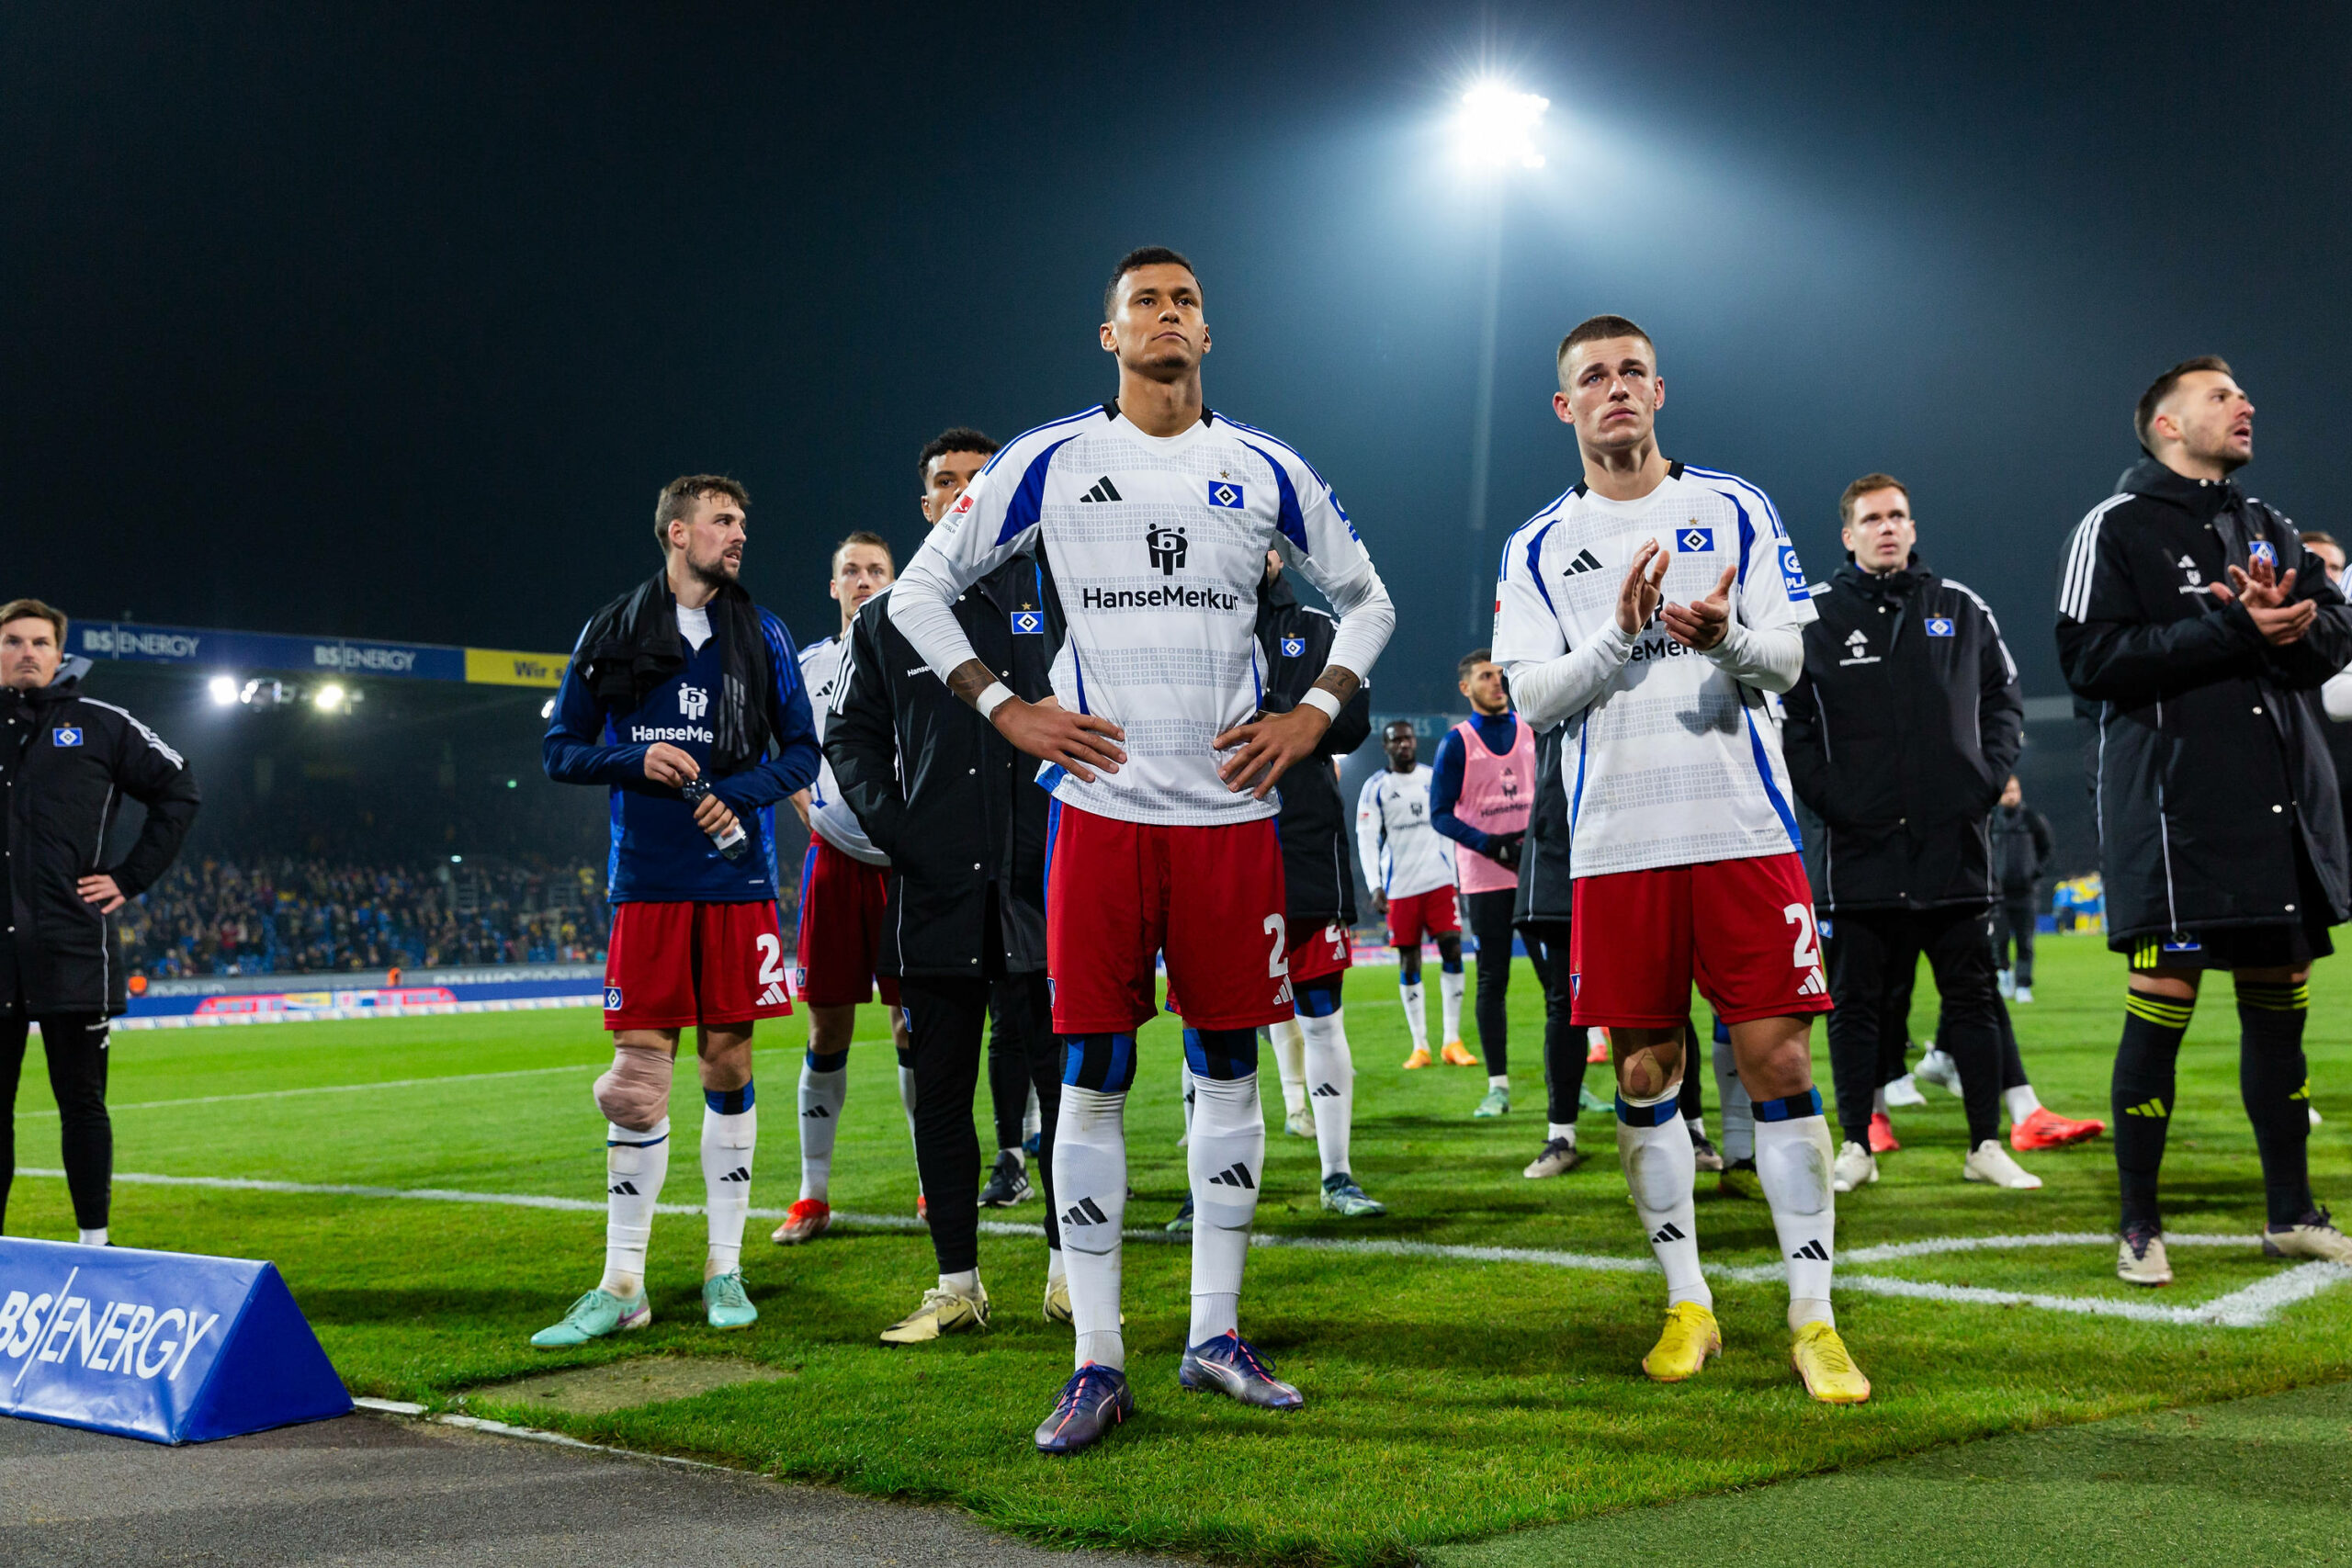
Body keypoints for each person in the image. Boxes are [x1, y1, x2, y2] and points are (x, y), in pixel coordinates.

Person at [888, 246, 1395, 1454]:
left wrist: (1311, 713)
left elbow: (1369, 596)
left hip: (1228, 818)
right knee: (1095, 1072)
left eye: (1185, 302)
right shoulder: (1051, 458)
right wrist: (1006, 710)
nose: (1168, 317)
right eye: (1144, 305)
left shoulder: (1263, 466)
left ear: (1207, 335)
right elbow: (917, 590)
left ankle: (1216, 1332)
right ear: (1108, 336)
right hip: (1102, 815)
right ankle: (1097, 1356)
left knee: (1228, 1066)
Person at [1492, 314, 1867, 1404]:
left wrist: (1724, 641)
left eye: (1631, 374)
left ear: (1661, 392)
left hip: (1742, 831)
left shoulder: (1730, 507)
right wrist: (1617, 636)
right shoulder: (1537, 545)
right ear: (1565, 408)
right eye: (1592, 379)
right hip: (1616, 846)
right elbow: (1530, 696)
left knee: (1781, 1066)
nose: (1615, 391)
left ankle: (1814, 1318)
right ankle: (1688, 1303)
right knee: (1645, 1071)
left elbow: (1789, 661)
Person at [2057, 355, 2352, 1284]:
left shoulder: (2264, 525)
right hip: (2173, 817)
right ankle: (2139, 1224)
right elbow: (2088, 661)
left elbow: (2335, 633)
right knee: (2162, 1016)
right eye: (2222, 396)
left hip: (2275, 816)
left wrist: (2295, 623)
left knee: (2280, 1019)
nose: (2245, 405)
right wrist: (2232, 630)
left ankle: (2290, 1213)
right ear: (2167, 426)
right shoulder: (2113, 528)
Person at [536, 475, 820, 1344]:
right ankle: (623, 1282)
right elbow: (561, 749)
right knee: (637, 1084)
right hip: (649, 884)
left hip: (734, 882)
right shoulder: (611, 629)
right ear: (676, 531)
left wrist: (735, 793)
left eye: (743, 521)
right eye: (724, 521)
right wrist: (635, 758)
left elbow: (803, 752)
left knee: (727, 1068)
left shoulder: (763, 632)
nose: (739, 535)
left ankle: (722, 1267)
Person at [826, 428, 1072, 1342]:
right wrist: (893, 827)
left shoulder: (1059, 598)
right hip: (933, 890)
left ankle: (1068, 1274)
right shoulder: (889, 617)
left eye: (981, 479)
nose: (963, 491)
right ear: (925, 503)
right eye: (945, 482)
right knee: (940, 1092)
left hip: (1042, 889)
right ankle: (958, 1284)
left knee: (1067, 1093)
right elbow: (848, 734)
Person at [1780, 472, 2046, 1195]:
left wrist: (1984, 780)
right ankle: (1857, 1142)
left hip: (1951, 845)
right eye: (1872, 518)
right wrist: (1833, 799)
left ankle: (1985, 1142)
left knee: (1972, 999)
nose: (1887, 527)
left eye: (1898, 515)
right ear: (1848, 534)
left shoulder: (1960, 607)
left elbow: (2005, 698)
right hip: (1859, 852)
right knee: (1857, 1006)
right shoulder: (1814, 617)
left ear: (1913, 526)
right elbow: (1791, 723)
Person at [1172, 551, 1383, 1224]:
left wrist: (1278, 710)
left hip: (1302, 849)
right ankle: (1202, 1184)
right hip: (1208, 842)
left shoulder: (1321, 629)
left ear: (1276, 551)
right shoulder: (1183, 621)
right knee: (1204, 1020)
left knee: (1322, 1013)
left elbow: (1352, 724)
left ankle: (1338, 1173)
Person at [1, 599, 200, 1244]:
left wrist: (129, 876)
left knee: (82, 1103)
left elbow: (179, 788)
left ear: (61, 653)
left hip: (73, 944)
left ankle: (96, 1242)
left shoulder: (103, 725)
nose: (26, 651)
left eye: (39, 641)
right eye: (12, 641)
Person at [771, 529, 921, 1245]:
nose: (863, 579)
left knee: (912, 1028)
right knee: (826, 1027)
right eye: (850, 571)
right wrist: (804, 800)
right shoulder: (808, 666)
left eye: (875, 570)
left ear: (895, 581)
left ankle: (932, 1182)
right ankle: (813, 1194)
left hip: (905, 868)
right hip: (833, 865)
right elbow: (783, 747)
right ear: (833, 586)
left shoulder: (921, 657)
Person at [1430, 649, 1535, 1117]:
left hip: (1537, 873)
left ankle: (1567, 1076)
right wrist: (1492, 845)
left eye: (1500, 674)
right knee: (1493, 980)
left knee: (1561, 980)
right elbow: (1439, 814)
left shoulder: (1534, 727)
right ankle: (1498, 1086)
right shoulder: (1456, 743)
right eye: (1486, 676)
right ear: (1465, 688)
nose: (1497, 682)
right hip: (1487, 876)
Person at [1356, 722, 1469, 1069]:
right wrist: (1375, 883)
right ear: (1386, 747)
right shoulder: (1376, 788)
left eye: (1408, 738)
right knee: (1410, 960)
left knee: (1452, 947)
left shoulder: (1433, 778)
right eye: (1396, 740)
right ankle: (1420, 1045)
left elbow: (1449, 825)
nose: (1404, 744)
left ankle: (1452, 1040)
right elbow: (1367, 838)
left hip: (1439, 881)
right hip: (1400, 888)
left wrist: (1457, 872)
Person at [1989, 775, 2053, 1002]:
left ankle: (2024, 985)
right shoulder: (1990, 821)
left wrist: (2034, 873)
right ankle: (2004, 975)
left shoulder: (2032, 819)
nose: (2012, 795)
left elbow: (2046, 849)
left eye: (2015, 790)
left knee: (2026, 942)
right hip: (1999, 894)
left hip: (2026, 893)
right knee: (2000, 939)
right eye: (2007, 791)